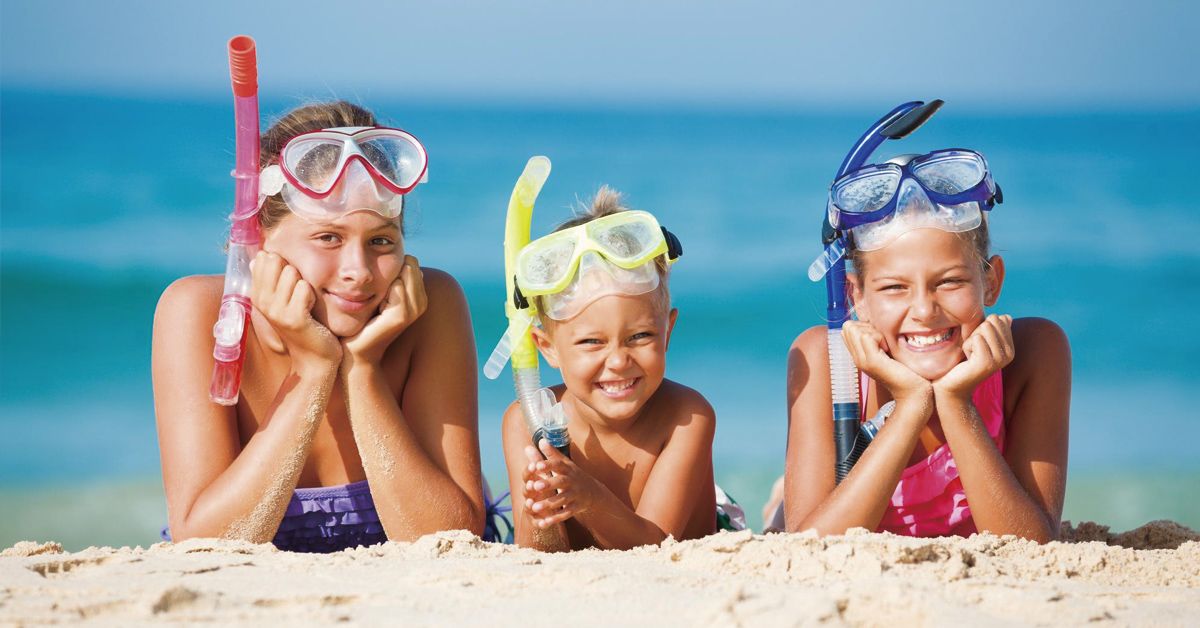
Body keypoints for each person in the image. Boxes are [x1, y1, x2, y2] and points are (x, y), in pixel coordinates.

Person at [152, 101, 486, 552]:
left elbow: (452, 541)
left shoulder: (433, 307)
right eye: (328, 238)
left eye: (381, 240)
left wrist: (362, 371)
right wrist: (311, 369)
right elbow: (207, 545)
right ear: (254, 243)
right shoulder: (196, 312)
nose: (360, 271)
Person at [773, 102, 1070, 541]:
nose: (925, 310)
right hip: (817, 513)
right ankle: (778, 499)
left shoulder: (1034, 354)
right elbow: (809, 547)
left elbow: (1034, 546)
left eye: (949, 282)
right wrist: (911, 406)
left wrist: (955, 402)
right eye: (894, 288)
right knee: (782, 516)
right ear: (857, 298)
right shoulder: (827, 359)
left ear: (991, 281)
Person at [500, 187, 737, 551]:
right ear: (547, 348)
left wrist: (589, 499)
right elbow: (539, 555)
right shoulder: (526, 421)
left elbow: (656, 547)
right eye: (592, 342)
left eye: (640, 336)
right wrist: (541, 511)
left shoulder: (687, 417)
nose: (618, 361)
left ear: (667, 331)